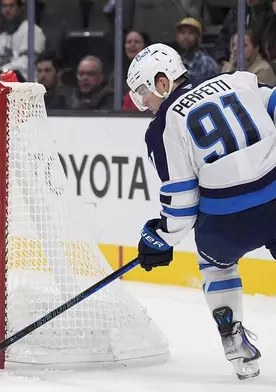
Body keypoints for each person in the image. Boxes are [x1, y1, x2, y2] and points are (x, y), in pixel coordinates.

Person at [127, 43, 276, 380]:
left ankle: (234, 339)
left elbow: (182, 204)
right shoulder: (238, 80)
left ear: (162, 82)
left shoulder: (162, 127)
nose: (143, 104)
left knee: (215, 264)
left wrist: (160, 237)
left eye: (142, 93)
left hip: (226, 221)